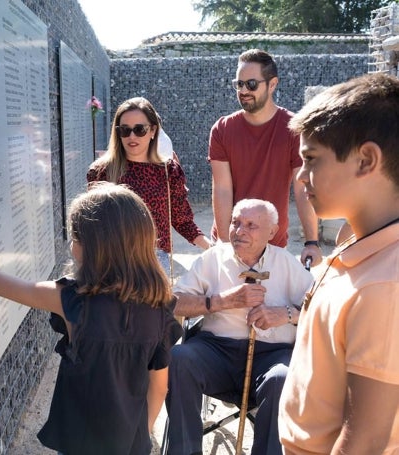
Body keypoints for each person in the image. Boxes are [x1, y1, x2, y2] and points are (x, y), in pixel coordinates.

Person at [0, 182, 183, 455]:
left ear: (92, 247)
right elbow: (159, 387)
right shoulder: (160, 306)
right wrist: (141, 432)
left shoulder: (73, 300)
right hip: (131, 444)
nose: (71, 244)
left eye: (75, 236)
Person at [279, 73, 399, 453]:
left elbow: (364, 439)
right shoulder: (357, 241)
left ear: (366, 160)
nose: (300, 176)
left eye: (311, 158)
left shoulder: (386, 284)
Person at [165, 198, 313, 455]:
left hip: (271, 355)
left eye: (251, 225)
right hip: (216, 352)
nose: (240, 230)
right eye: (236, 223)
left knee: (283, 378)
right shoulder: (212, 258)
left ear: (271, 232)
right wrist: (222, 301)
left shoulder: (287, 263)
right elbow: (174, 303)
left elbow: (322, 308)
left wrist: (287, 314)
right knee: (179, 358)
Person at [208, 48, 322, 266]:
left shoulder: (295, 129)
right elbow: (222, 189)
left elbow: (302, 188)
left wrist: (312, 242)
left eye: (251, 84)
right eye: (239, 84)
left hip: (273, 245)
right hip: (230, 242)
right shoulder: (222, 129)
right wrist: (224, 244)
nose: (243, 90)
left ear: (272, 84)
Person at [87, 97, 211, 273]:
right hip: (113, 264)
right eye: (125, 130)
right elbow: (92, 225)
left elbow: (181, 219)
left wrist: (211, 247)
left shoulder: (169, 171)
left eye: (139, 130)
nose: (131, 136)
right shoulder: (100, 172)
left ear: (153, 130)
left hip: (155, 264)